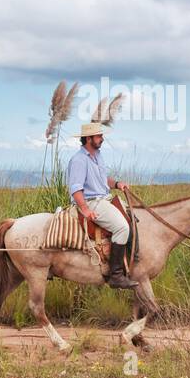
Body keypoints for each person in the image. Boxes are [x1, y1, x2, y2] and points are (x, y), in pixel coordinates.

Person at [66, 122, 137, 289]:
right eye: (99, 136)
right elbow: (75, 188)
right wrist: (85, 209)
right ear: (89, 139)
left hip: (104, 198)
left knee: (134, 216)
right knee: (122, 228)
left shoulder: (97, 156)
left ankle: (130, 261)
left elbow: (103, 180)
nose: (102, 139)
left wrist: (117, 184)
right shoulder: (78, 160)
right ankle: (116, 275)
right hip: (92, 202)